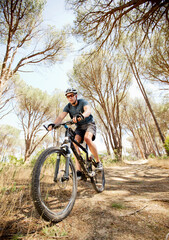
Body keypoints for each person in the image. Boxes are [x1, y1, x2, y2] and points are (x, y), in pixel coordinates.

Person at [48, 88, 103, 179]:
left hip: (89, 124)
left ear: (75, 96)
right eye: (68, 96)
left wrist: (82, 115)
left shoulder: (82, 102)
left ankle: (98, 162)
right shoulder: (68, 107)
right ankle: (79, 171)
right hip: (79, 128)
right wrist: (53, 124)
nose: (70, 97)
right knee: (74, 142)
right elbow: (61, 117)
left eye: (72, 95)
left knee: (87, 139)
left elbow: (88, 111)